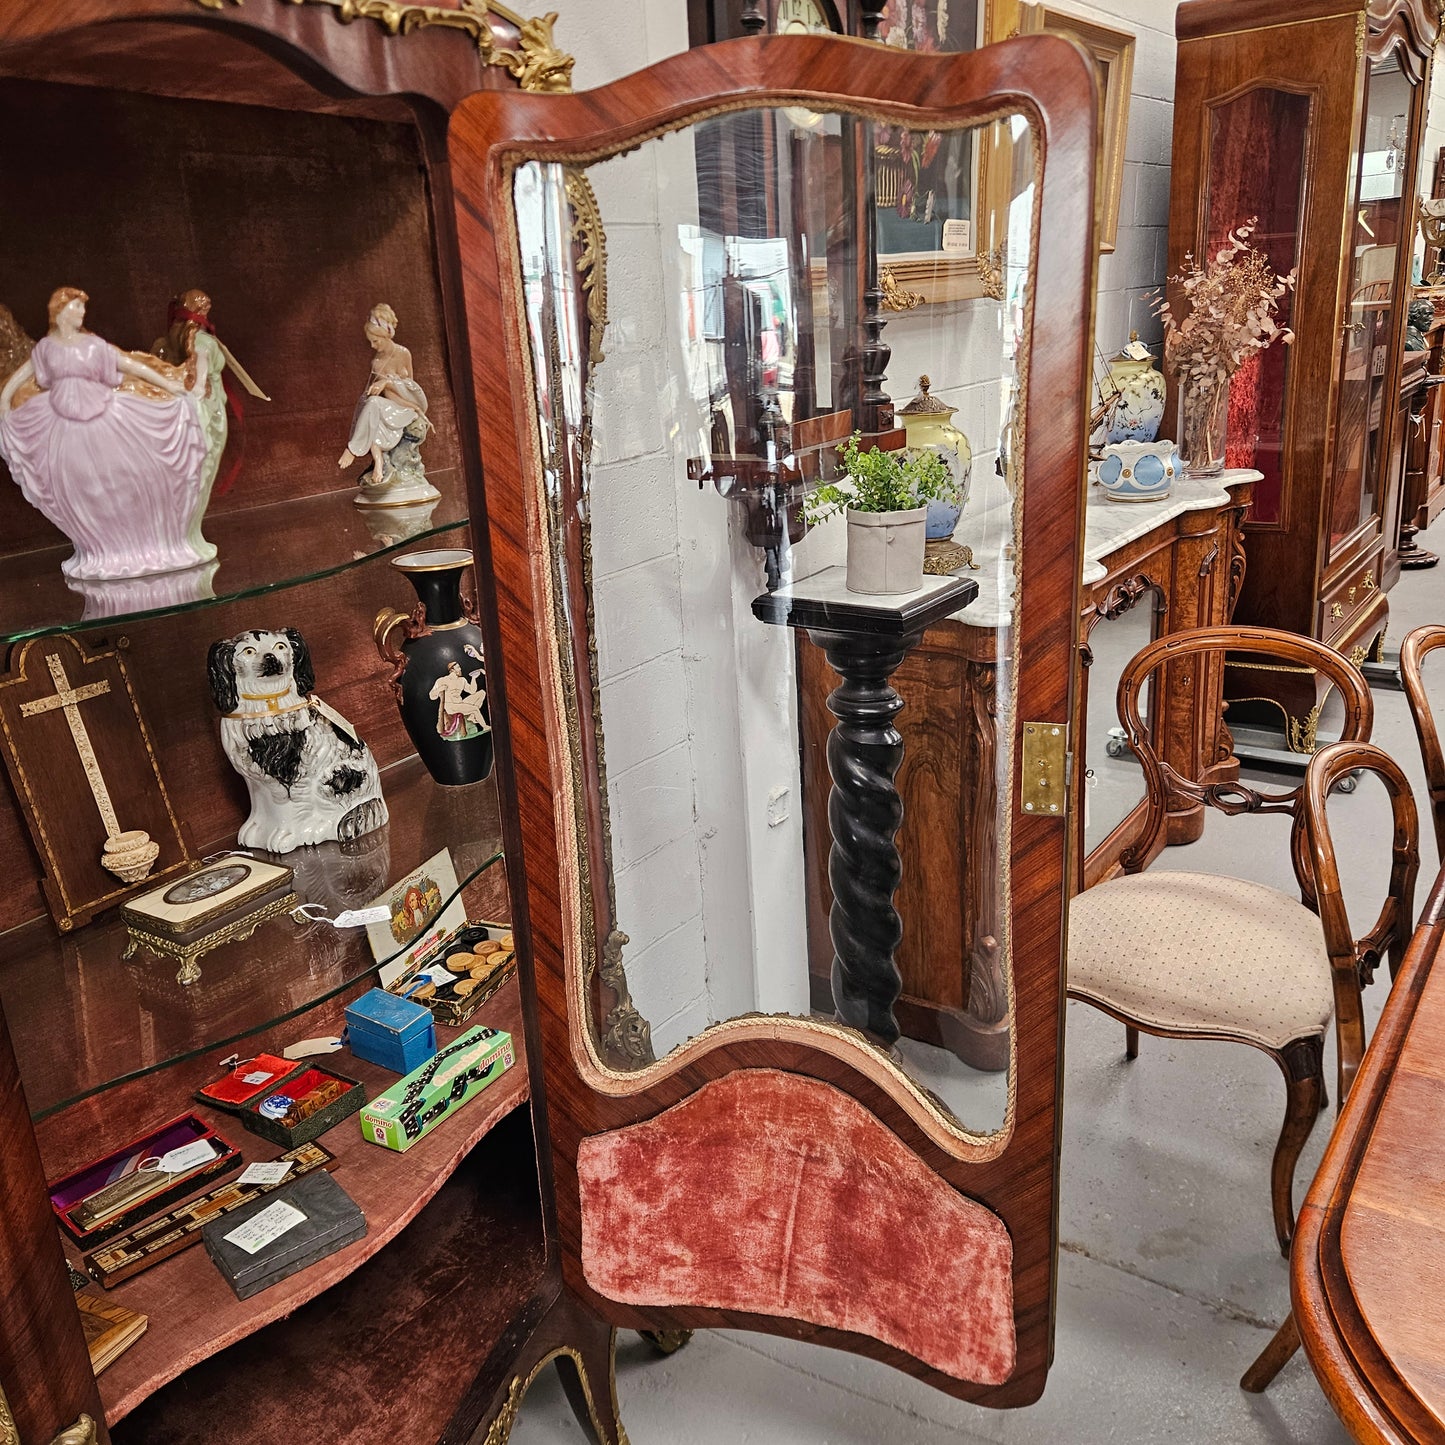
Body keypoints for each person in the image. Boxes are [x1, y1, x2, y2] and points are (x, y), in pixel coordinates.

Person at [0, 287, 210, 580]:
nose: (81, 313)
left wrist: (169, 384)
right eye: (76, 307)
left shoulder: (92, 345)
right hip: (62, 422)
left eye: (82, 308)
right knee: (79, 481)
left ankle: (139, 538)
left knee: (118, 473)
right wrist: (3, 404)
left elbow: (129, 364)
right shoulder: (46, 349)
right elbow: (21, 377)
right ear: (59, 312)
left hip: (102, 416)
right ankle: (100, 544)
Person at [337, 303, 431, 487]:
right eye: (370, 341)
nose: (373, 346)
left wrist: (393, 386)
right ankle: (377, 462)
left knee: (373, 406)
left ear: (386, 335)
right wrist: (383, 387)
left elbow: (412, 387)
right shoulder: (377, 363)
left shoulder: (404, 353)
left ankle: (354, 449)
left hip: (406, 406)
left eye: (376, 341)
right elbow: (390, 397)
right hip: (391, 406)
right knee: (372, 405)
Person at [428, 660, 491, 741]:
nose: (460, 669)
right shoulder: (442, 680)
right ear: (452, 670)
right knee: (475, 709)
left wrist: (473, 678)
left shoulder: (462, 680)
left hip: (460, 704)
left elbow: (472, 691)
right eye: (458, 667)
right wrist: (439, 689)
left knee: (481, 693)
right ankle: (485, 727)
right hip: (451, 707)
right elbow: (431, 696)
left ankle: (471, 717)